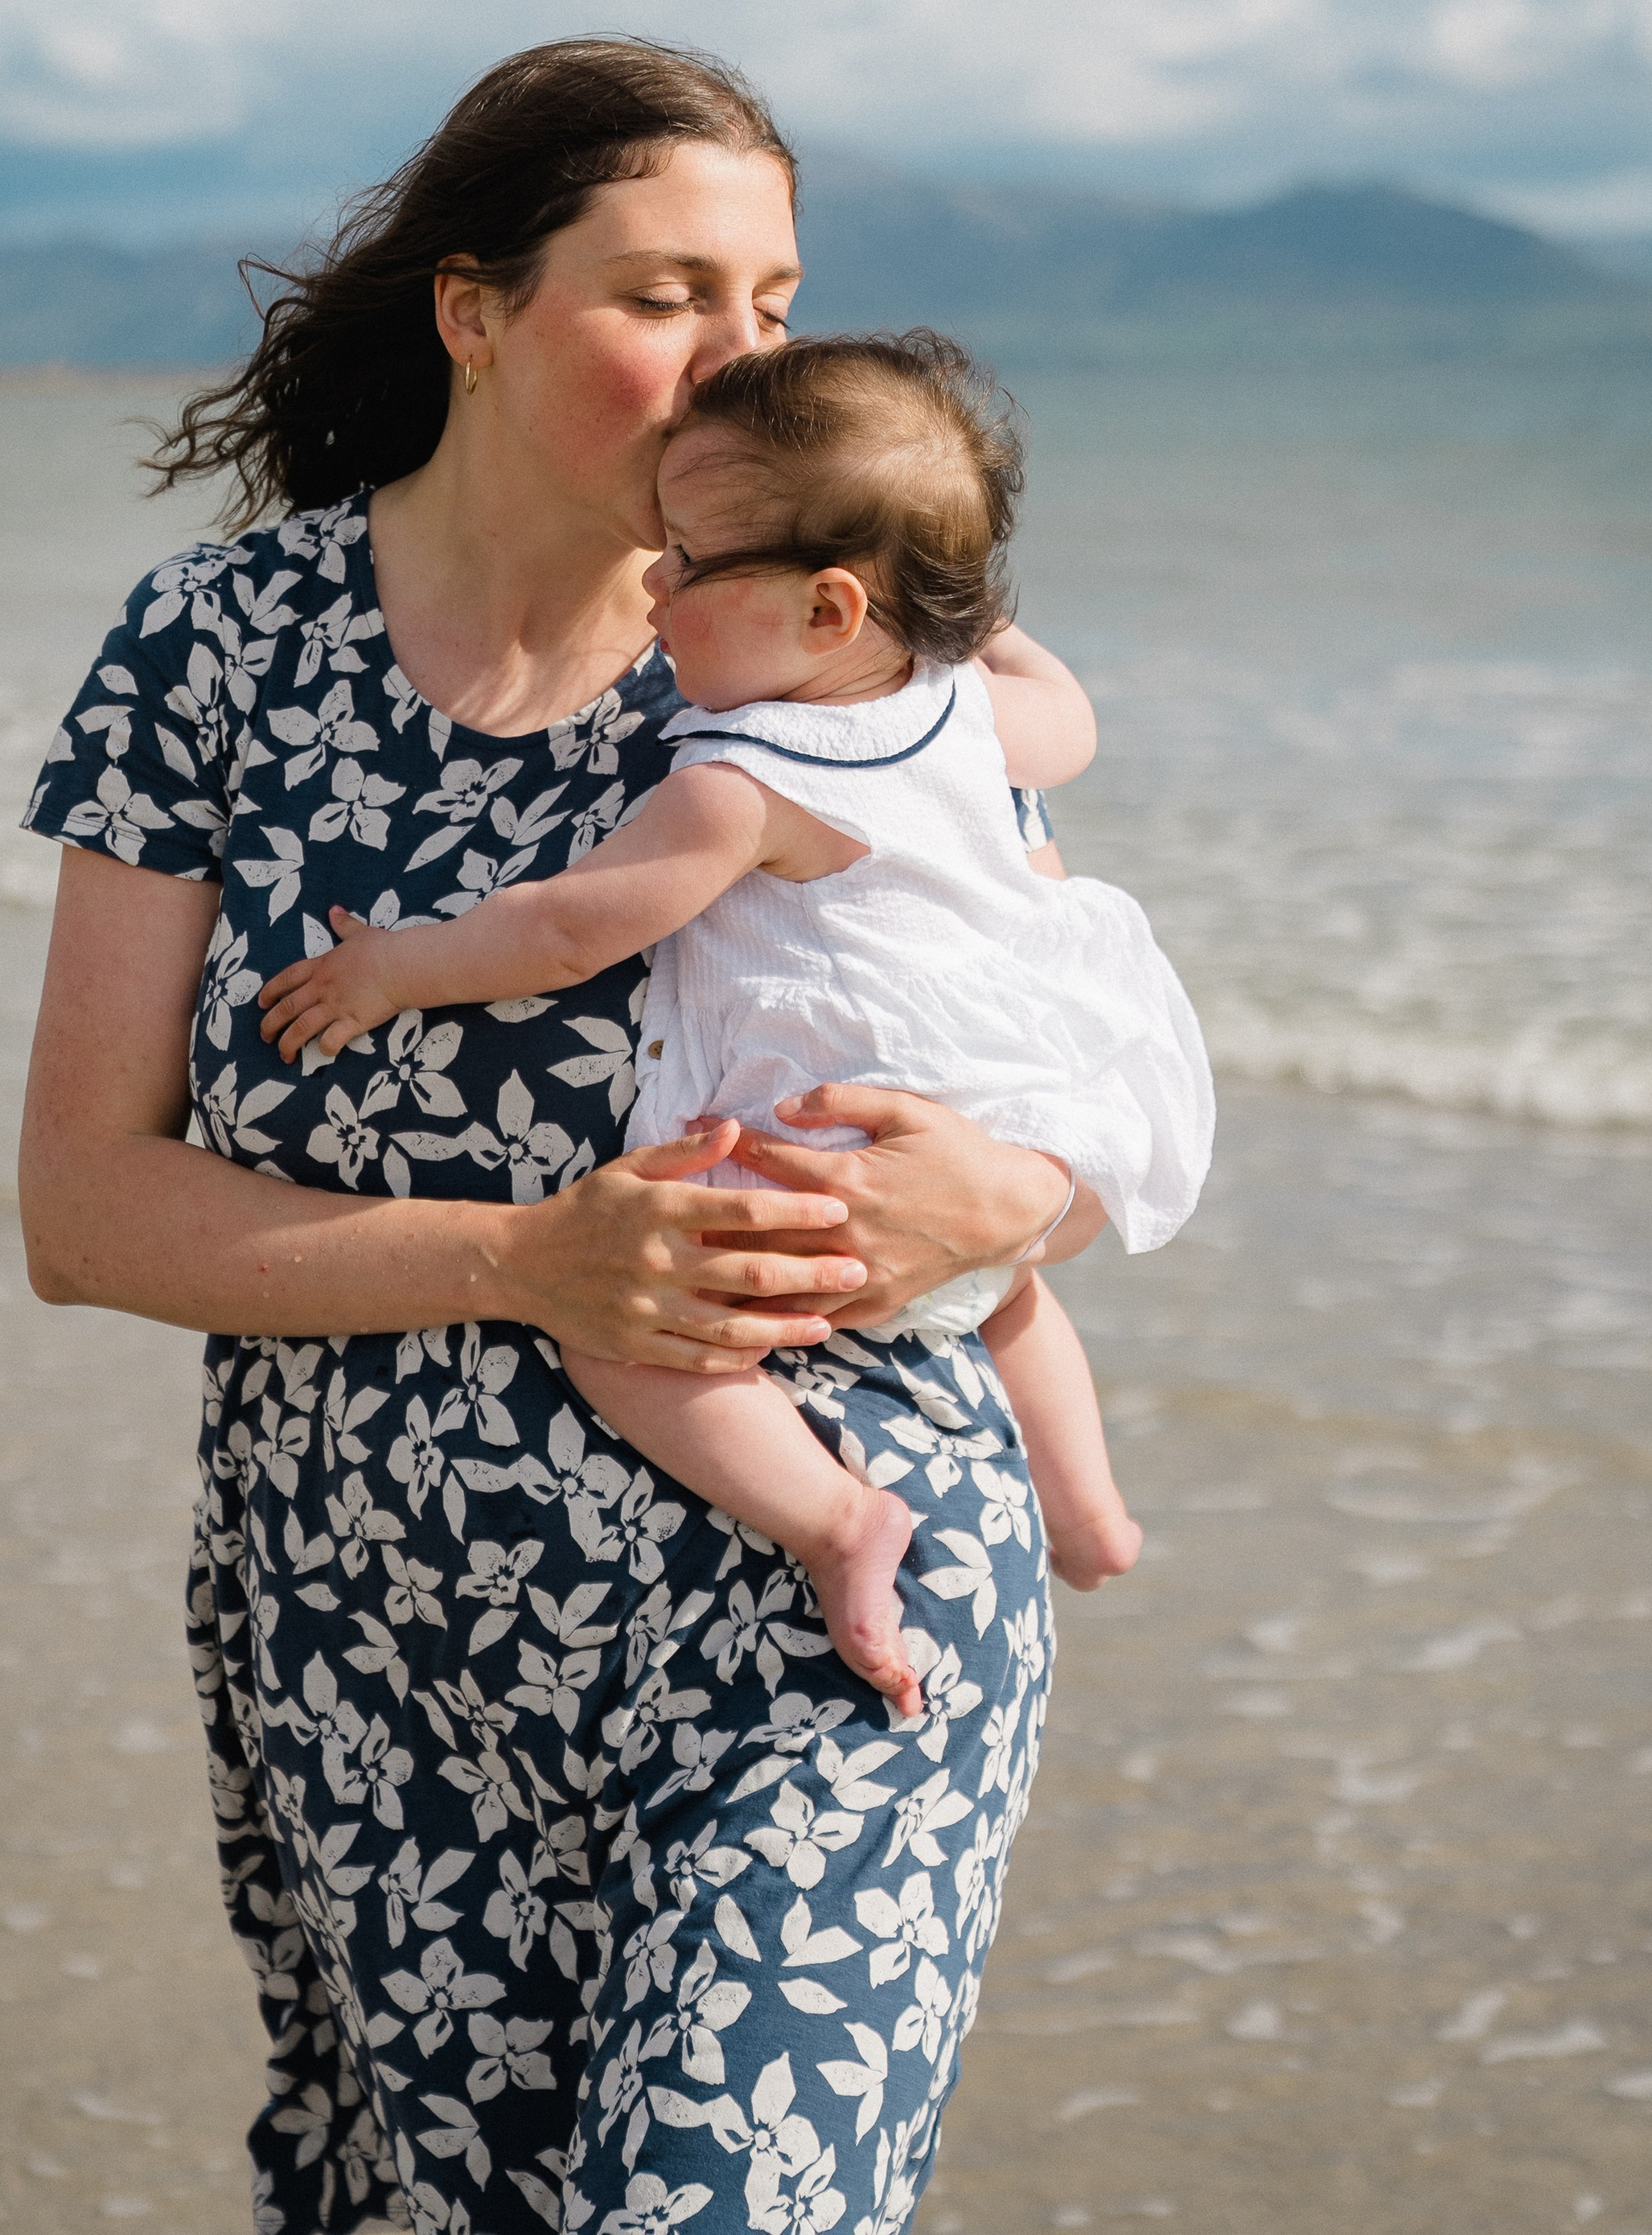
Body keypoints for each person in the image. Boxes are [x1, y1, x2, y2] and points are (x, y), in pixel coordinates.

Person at [18, 38, 1128, 2235]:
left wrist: (1019, 1193)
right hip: (377, 1637)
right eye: (667, 294)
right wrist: (522, 1257)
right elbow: (84, 1205)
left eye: (777, 300)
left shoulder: (828, 636)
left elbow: (1074, 1043)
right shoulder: (216, 648)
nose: (744, 359)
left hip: (830, 1590)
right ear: (475, 310)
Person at [253, 331, 1213, 1719]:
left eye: (695, 564)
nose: (658, 577)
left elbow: (574, 925)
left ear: (829, 612)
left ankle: (835, 1522)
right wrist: (954, 605)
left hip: (810, 1140)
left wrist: (399, 970)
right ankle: (1090, 1506)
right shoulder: (958, 712)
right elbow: (1071, 715)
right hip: (977, 1115)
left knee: (628, 1337)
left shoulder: (741, 782)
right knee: (1007, 1290)